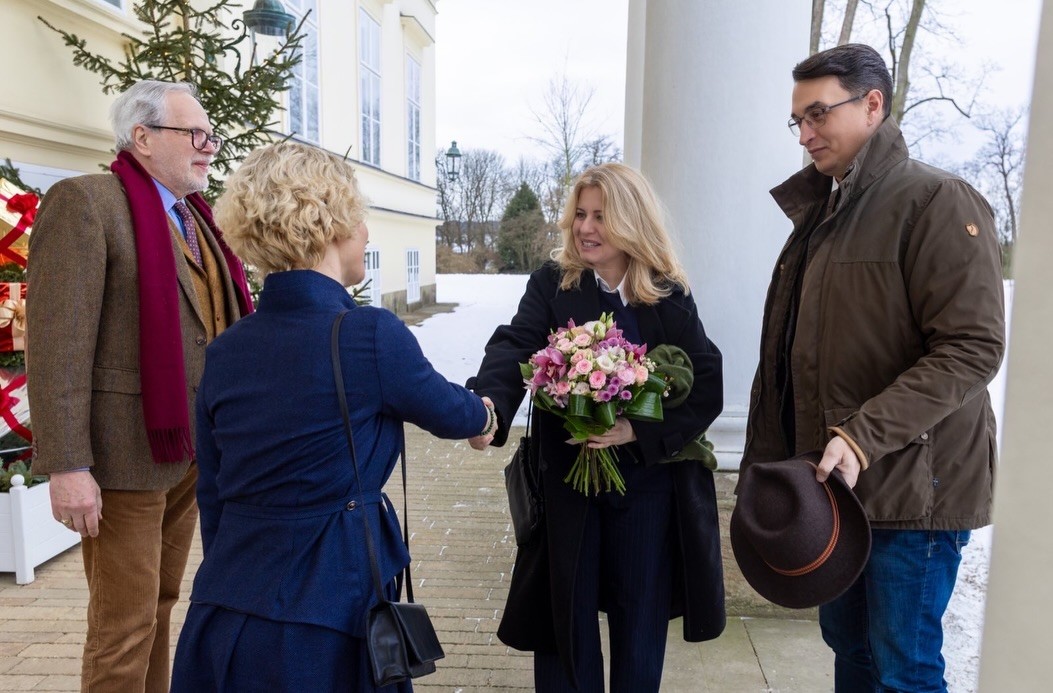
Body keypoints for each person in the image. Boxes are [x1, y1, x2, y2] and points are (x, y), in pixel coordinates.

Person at [168, 141, 497, 692]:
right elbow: (450, 411)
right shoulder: (369, 335)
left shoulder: (226, 350)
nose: (367, 233)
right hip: (328, 618)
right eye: (360, 218)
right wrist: (485, 414)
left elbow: (215, 497)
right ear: (330, 225)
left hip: (225, 613)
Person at [740, 43, 1005, 692]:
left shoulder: (936, 201)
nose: (804, 135)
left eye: (817, 114)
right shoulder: (821, 218)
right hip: (837, 494)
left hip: (914, 493)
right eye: (795, 121)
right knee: (850, 655)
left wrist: (861, 435)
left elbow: (972, 346)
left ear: (872, 105)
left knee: (902, 671)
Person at [26, 80, 253, 691]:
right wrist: (67, 465)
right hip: (122, 458)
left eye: (212, 135)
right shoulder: (86, 203)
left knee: (160, 604)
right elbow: (56, 346)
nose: (209, 147)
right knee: (122, 623)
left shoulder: (200, 220)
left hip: (190, 453)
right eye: (195, 134)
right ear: (143, 137)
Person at [469, 162, 725, 692]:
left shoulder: (668, 295)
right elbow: (515, 345)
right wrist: (489, 407)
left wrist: (636, 431)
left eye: (600, 217)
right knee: (566, 618)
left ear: (631, 222)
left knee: (639, 621)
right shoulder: (552, 284)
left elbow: (706, 383)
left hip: (645, 489)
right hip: (566, 485)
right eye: (580, 215)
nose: (585, 228)